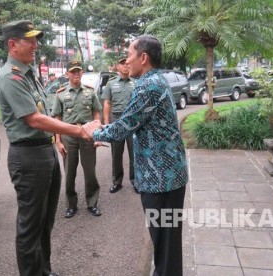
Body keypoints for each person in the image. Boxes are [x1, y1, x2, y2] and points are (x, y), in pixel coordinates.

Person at [83, 34, 189, 276]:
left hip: (163, 181)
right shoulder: (153, 81)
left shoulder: (148, 87)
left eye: (129, 55)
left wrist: (94, 131)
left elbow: (123, 127)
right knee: (165, 242)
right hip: (165, 177)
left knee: (165, 242)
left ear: (144, 57)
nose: (126, 61)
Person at [0, 19, 91, 276]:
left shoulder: (28, 73)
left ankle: (44, 270)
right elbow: (34, 119)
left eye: (36, 39)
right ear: (13, 44)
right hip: (28, 157)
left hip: (44, 151)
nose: (36, 45)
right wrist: (78, 130)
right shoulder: (10, 77)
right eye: (31, 40)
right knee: (30, 226)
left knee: (46, 221)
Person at [52, 60, 103, 218]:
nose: (76, 74)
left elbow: (96, 113)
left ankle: (92, 202)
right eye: (72, 71)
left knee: (90, 172)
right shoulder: (60, 94)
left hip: (87, 135)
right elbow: (57, 119)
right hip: (69, 136)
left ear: (81, 73)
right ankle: (71, 205)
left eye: (78, 71)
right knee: (69, 173)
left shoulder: (90, 92)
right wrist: (58, 141)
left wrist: (97, 134)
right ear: (67, 74)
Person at [101, 57, 138, 194]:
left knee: (134, 152)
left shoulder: (136, 82)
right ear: (117, 67)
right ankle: (117, 181)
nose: (126, 66)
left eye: (127, 64)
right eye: (123, 64)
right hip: (116, 121)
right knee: (116, 153)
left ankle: (135, 180)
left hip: (132, 121)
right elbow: (107, 103)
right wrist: (106, 123)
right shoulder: (111, 84)